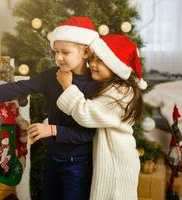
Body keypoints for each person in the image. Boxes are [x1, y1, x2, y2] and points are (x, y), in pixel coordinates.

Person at [0, 16, 100, 200]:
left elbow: (88, 133)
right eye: (56, 51)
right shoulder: (52, 76)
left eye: (65, 52)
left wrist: (52, 129)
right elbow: (19, 88)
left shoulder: (94, 84)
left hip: (78, 164)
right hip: (53, 158)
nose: (58, 57)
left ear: (85, 51)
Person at [54, 34, 145, 200]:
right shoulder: (110, 87)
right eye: (92, 59)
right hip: (110, 158)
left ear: (115, 66)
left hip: (117, 163)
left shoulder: (121, 93)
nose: (92, 65)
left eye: (100, 61)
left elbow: (85, 113)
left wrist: (67, 86)